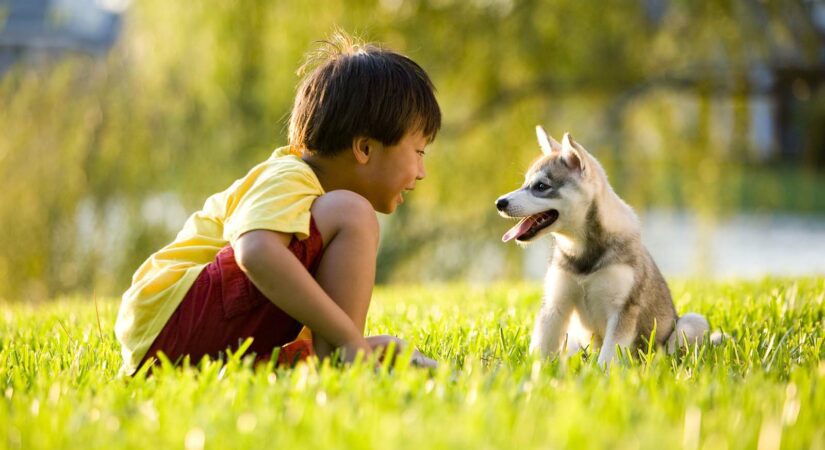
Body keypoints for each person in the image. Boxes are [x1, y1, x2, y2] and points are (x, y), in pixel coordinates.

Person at [114, 32, 441, 376]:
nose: (421, 172)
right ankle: (345, 358)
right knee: (353, 212)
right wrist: (349, 340)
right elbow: (254, 252)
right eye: (418, 152)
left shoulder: (313, 211)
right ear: (364, 149)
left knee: (344, 222)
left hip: (174, 344)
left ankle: (333, 360)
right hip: (171, 322)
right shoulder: (291, 175)